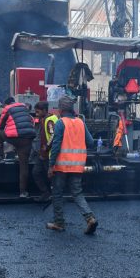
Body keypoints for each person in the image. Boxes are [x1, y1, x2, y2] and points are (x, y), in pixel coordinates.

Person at [46, 96, 97, 234]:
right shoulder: (80, 122)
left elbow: (56, 145)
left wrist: (51, 166)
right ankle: (90, 218)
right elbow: (91, 142)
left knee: (57, 193)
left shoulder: (61, 123)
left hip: (62, 165)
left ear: (61, 109)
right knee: (77, 193)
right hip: (77, 165)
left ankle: (59, 223)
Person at [0, 97, 36, 198]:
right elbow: (31, 120)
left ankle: (0, 157)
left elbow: (0, 125)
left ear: (6, 104)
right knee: (24, 166)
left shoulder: (7, 108)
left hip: (16, 138)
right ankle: (23, 192)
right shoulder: (24, 107)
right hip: (28, 138)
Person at [30, 101, 57, 202]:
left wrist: (47, 147)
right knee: (36, 172)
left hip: (48, 153)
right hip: (42, 153)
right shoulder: (44, 119)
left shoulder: (49, 121)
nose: (36, 114)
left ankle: (53, 195)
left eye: (38, 112)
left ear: (44, 111)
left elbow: (53, 135)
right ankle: (46, 193)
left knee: (50, 175)